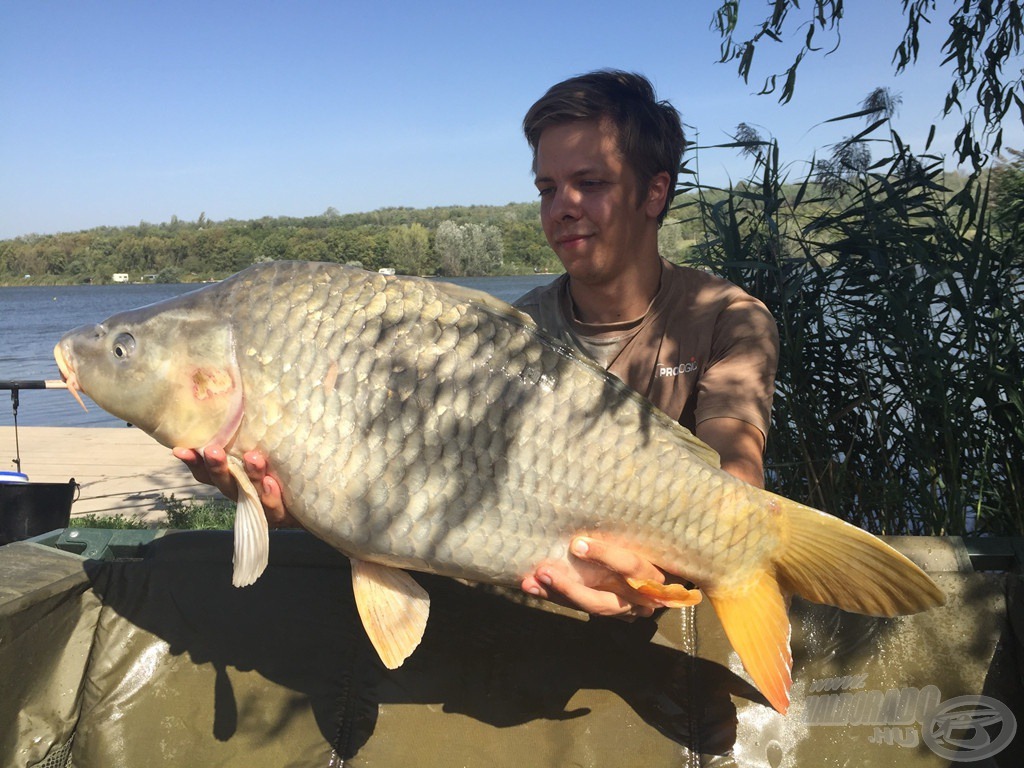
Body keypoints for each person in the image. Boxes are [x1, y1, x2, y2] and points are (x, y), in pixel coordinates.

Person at [175, 70, 779, 621]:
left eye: (589, 183)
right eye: (547, 188)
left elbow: (737, 479)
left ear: (654, 193)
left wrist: (659, 576)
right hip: (523, 614)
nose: (563, 207)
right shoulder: (506, 340)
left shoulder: (728, 320)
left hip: (666, 619)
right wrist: (297, 504)